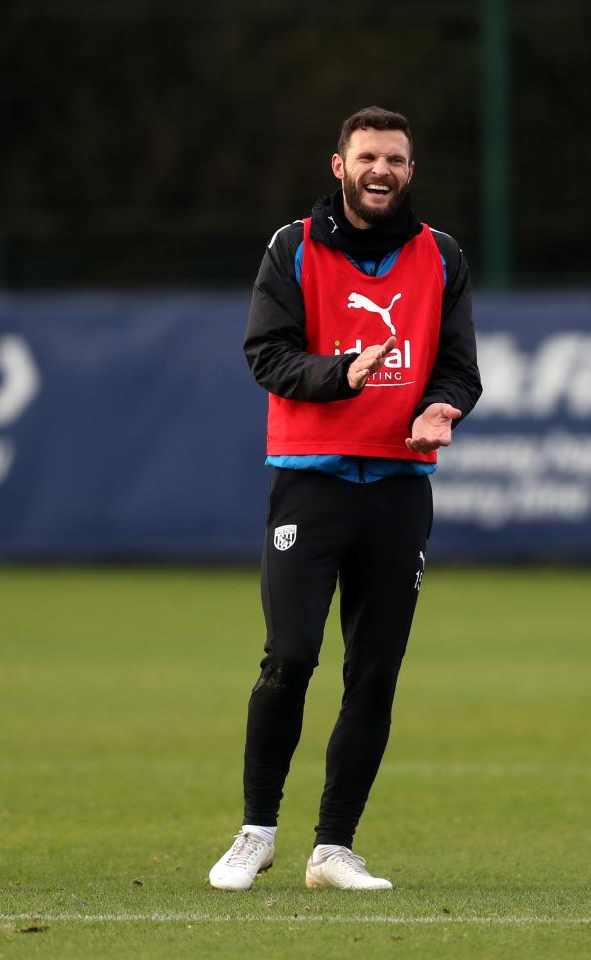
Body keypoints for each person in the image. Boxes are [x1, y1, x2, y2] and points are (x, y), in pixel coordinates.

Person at [208, 106, 481, 892]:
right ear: (339, 166)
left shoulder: (443, 257)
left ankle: (333, 849)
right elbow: (267, 353)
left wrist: (443, 408)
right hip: (312, 481)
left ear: (410, 170)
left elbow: (460, 365)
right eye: (367, 156)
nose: (380, 170)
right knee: (289, 656)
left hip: (398, 491)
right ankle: (256, 832)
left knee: (376, 672)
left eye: (394, 158)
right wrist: (340, 375)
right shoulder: (292, 247)